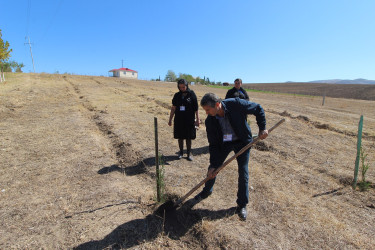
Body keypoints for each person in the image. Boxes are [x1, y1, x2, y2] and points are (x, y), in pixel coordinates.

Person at [194, 93, 268, 221]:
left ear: (217, 105)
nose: (206, 113)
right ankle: (207, 191)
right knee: (213, 169)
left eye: (207, 110)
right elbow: (213, 145)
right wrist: (213, 165)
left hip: (242, 141)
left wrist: (262, 128)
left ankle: (242, 204)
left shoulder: (236, 104)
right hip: (224, 144)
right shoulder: (210, 121)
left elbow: (258, 108)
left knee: (243, 172)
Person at [168, 79, 200, 161]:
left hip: (189, 120)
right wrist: (170, 119)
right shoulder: (177, 95)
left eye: (183, 87)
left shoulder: (192, 94)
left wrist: (198, 119)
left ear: (187, 85)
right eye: (180, 87)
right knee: (180, 137)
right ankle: (181, 152)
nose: (182, 88)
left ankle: (189, 153)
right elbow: (173, 108)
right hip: (179, 119)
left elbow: (196, 108)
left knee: (188, 137)